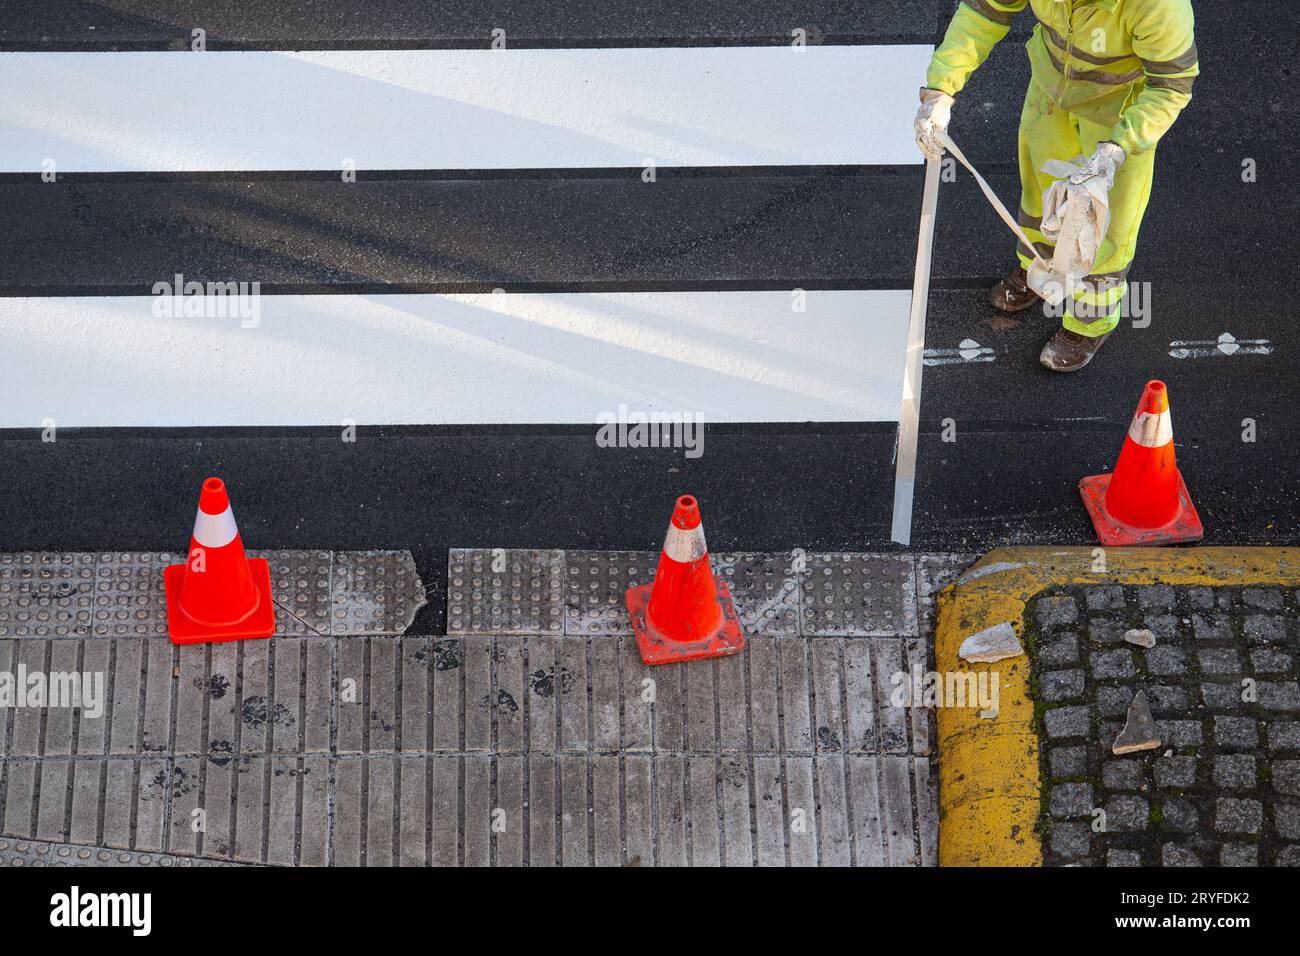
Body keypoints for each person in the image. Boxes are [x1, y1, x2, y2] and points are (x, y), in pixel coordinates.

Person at [914, 0, 1198, 372]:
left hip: (1120, 115)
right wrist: (940, 91)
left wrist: (1119, 147)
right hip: (1052, 94)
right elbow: (984, 13)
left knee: (1103, 222)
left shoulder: (1158, 5)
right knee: (1041, 195)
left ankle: (1088, 321)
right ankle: (1040, 268)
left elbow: (1171, 86)